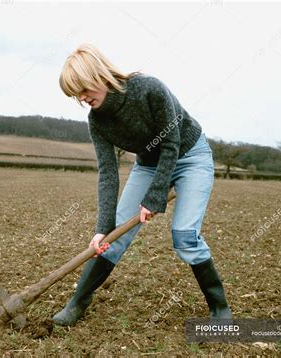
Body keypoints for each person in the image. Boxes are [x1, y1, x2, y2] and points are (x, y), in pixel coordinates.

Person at [53, 43, 232, 326]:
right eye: (76, 94)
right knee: (111, 240)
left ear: (98, 74)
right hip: (148, 164)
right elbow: (108, 173)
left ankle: (220, 309)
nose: (82, 97)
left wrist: (155, 195)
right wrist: (102, 230)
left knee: (185, 236)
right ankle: (77, 303)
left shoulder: (148, 89)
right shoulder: (97, 121)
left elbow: (171, 144)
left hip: (190, 156)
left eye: (83, 88)